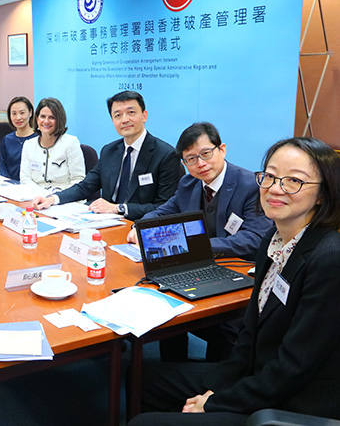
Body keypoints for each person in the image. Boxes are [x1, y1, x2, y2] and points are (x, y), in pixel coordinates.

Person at [129, 137, 340, 426]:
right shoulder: (274, 239)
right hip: (255, 374)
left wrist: (215, 402)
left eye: (294, 181)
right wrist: (218, 385)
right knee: (141, 376)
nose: (275, 188)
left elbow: (294, 367)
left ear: (322, 195)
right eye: (270, 176)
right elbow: (250, 334)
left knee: (143, 423)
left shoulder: (329, 258)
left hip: (289, 402)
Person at [126, 122, 273, 362]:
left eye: (206, 154)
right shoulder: (188, 183)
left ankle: (212, 385)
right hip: (198, 269)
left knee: (225, 331)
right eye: (191, 159)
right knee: (166, 311)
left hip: (237, 276)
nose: (200, 164)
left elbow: (255, 239)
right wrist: (139, 226)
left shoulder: (249, 185)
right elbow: (164, 212)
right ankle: (172, 373)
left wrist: (199, 247)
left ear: (222, 149)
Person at [33, 90, 182, 220]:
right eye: (118, 115)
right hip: (104, 222)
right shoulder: (109, 151)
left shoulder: (165, 155)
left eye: (131, 112)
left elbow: (165, 207)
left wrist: (119, 208)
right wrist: (53, 199)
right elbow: (86, 186)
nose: (124, 120)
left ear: (144, 115)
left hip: (138, 226)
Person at [19, 97, 85, 191]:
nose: (46, 121)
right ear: (37, 118)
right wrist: (41, 195)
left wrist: (56, 198)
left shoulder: (70, 143)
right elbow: (25, 178)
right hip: (36, 197)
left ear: (59, 120)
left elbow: (78, 180)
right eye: (42, 116)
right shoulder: (29, 145)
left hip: (65, 199)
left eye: (52, 117)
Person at [0, 96, 39, 181]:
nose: (18, 117)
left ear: (30, 112)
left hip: (32, 187)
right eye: (14, 113)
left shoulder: (39, 139)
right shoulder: (7, 140)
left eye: (22, 113)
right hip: (10, 187)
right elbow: (3, 169)